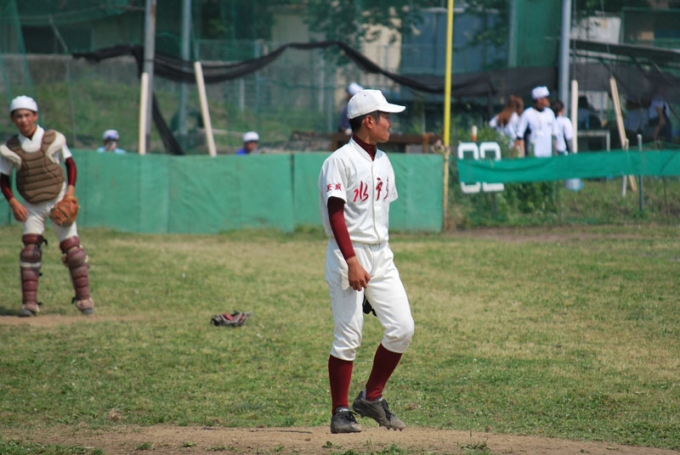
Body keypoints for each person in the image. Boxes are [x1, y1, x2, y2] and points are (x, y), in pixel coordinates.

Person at [318, 89, 415, 434]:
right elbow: (335, 212)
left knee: (402, 328)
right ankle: (340, 411)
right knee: (348, 335)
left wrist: (373, 270)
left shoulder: (384, 161)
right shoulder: (340, 160)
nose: (390, 122)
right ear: (368, 121)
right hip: (348, 253)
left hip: (381, 254)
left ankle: (371, 397)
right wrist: (352, 261)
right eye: (385, 116)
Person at [0, 96, 94, 317]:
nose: (23, 120)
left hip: (58, 198)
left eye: (27, 115)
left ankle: (84, 299)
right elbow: (3, 178)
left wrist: (70, 192)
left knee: (73, 251)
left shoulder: (53, 139)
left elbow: (70, 164)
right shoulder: (10, 147)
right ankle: (29, 304)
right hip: (31, 204)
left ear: (35, 116)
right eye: (18, 116)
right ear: (13, 119)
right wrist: (13, 201)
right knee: (30, 251)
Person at [515, 86, 558, 158]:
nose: (548, 100)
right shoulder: (528, 113)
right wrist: (521, 156)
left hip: (548, 156)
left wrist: (556, 153)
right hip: (533, 156)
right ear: (539, 99)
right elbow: (519, 136)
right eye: (546, 98)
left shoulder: (550, 113)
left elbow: (555, 134)